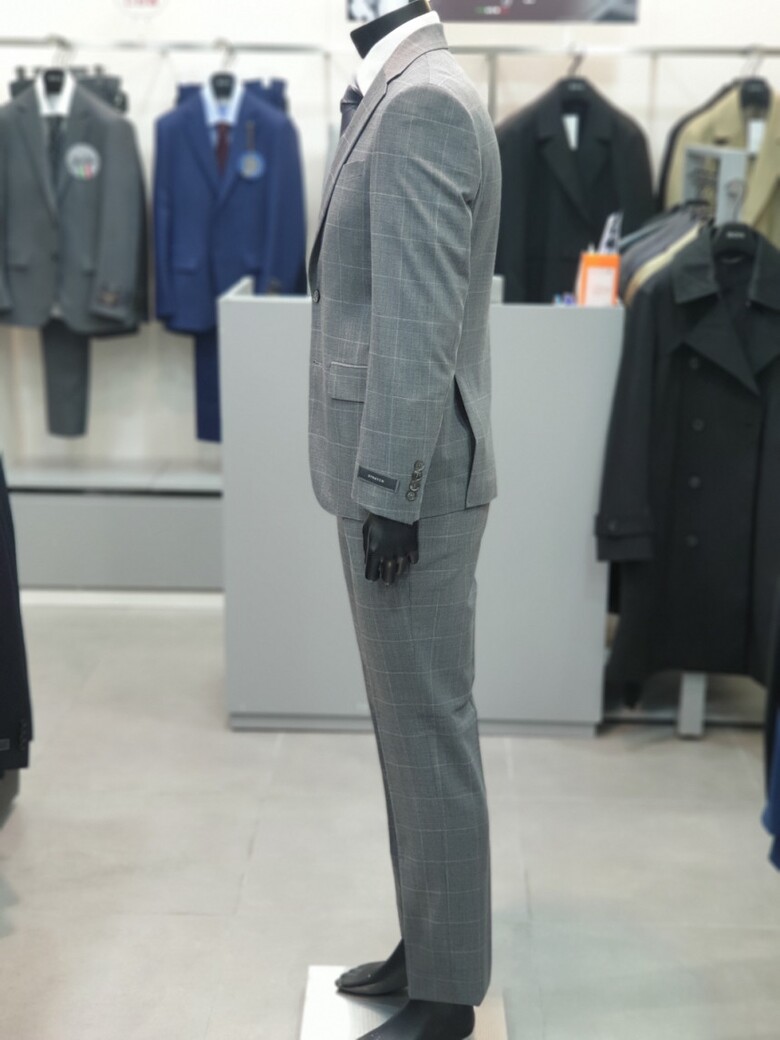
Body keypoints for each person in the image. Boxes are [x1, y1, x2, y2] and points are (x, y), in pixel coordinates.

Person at [307, 0, 502, 1036]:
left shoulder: (421, 102)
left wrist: (390, 487)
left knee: (427, 731)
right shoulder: (402, 90)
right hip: (399, 472)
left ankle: (447, 994)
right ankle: (429, 941)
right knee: (407, 732)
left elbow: (421, 315)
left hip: (407, 484)